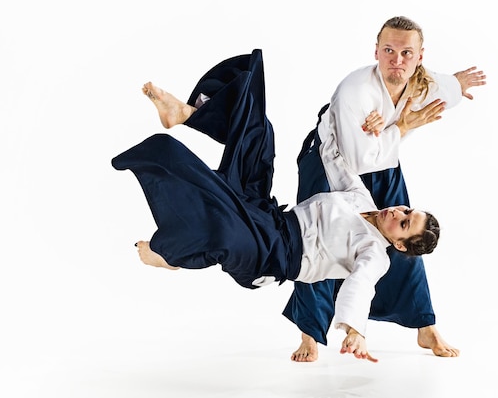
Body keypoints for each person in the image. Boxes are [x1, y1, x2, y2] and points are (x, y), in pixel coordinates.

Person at [111, 49, 446, 362]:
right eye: (406, 211)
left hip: (269, 256)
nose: (397, 213)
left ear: (399, 243)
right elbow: (335, 159)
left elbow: (359, 288)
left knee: (220, 228)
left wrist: (355, 331)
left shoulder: (374, 255)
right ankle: (186, 114)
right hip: (270, 216)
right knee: (258, 138)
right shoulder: (363, 200)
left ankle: (170, 254)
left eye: (403, 223)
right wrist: (335, 115)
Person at [284, 16, 487, 362]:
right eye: (389, 51)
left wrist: (456, 84)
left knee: (406, 235)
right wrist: (402, 126)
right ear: (376, 51)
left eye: (407, 53)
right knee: (317, 241)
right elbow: (357, 161)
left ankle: (425, 325)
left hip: (383, 158)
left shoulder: (421, 83)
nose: (397, 60)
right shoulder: (356, 90)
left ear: (419, 57)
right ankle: (310, 334)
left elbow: (443, 91)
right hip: (331, 160)